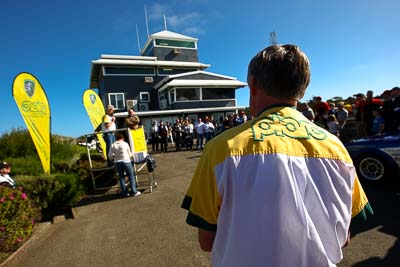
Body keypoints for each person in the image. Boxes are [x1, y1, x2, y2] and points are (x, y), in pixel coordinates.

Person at [182, 44, 372, 267]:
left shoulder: (221, 148)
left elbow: (206, 241)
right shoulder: (336, 148)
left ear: (253, 85)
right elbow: (345, 237)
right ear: (302, 89)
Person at [108, 133, 141, 198]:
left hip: (118, 162)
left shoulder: (113, 145)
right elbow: (130, 154)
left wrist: (114, 157)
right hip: (126, 161)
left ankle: (125, 193)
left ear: (116, 138)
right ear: (122, 138)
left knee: (121, 178)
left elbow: (110, 156)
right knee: (131, 176)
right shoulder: (125, 144)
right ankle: (134, 192)